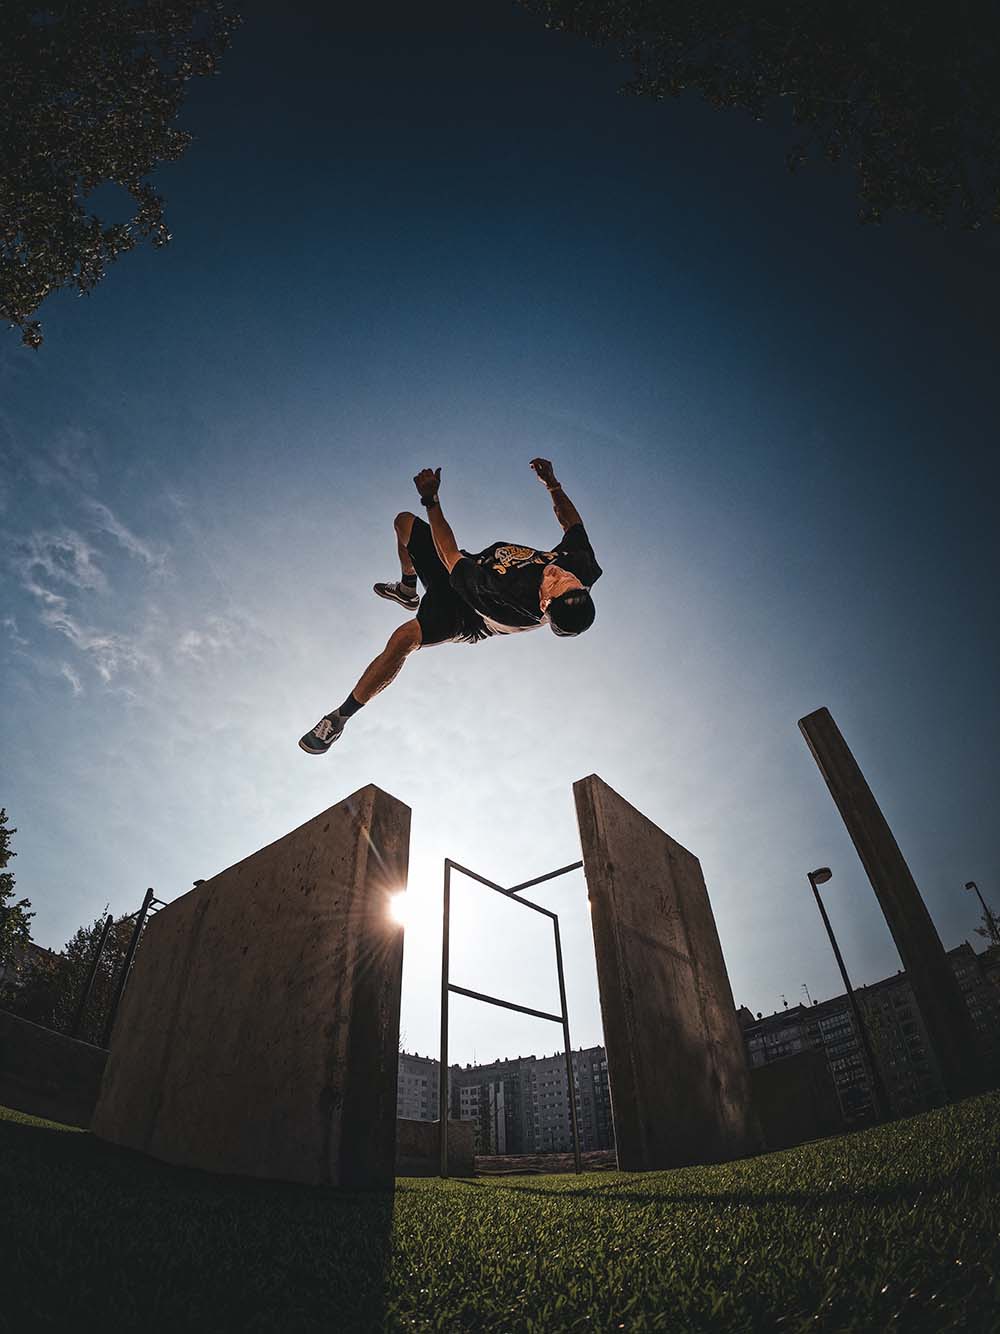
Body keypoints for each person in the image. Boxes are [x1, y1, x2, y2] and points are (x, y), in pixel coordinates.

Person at [299, 458, 602, 754]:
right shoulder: (580, 567)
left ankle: (339, 718)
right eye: (567, 577)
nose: (558, 572)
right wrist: (553, 485)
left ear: (543, 602)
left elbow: (449, 553)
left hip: (467, 614)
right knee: (404, 523)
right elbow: (572, 524)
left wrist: (431, 500)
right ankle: (407, 588)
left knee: (405, 638)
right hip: (468, 568)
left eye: (555, 581)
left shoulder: (507, 598)